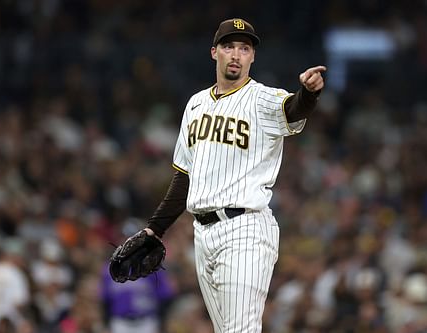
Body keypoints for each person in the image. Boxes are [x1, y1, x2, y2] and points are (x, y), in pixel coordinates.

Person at [136, 18, 325, 332]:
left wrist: (308, 93)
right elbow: (184, 178)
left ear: (252, 57)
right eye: (229, 46)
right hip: (203, 233)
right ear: (214, 52)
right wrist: (154, 230)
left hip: (246, 228)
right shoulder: (195, 105)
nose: (236, 53)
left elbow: (294, 109)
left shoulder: (261, 98)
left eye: (244, 48)